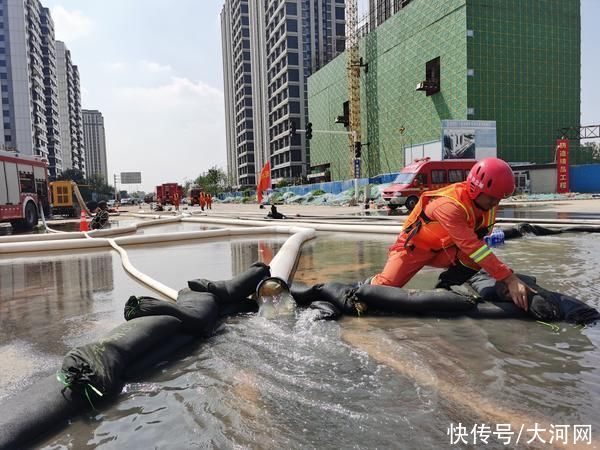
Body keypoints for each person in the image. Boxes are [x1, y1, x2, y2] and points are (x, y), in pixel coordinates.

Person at [370, 157, 535, 310]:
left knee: (476, 257)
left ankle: (444, 288)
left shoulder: (488, 204)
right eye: (492, 198)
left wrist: (502, 274)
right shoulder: (450, 205)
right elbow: (472, 246)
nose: (495, 204)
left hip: (444, 248)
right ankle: (365, 286)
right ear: (476, 189)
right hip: (413, 249)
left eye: (499, 199)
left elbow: (478, 246)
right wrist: (509, 278)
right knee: (383, 290)